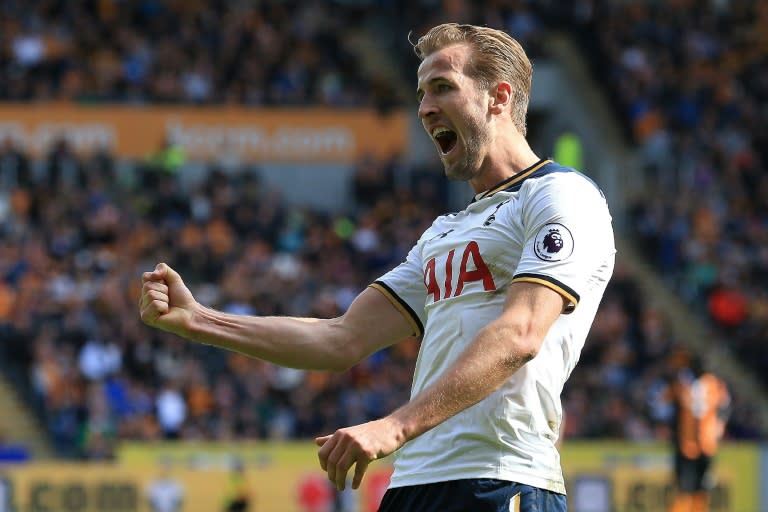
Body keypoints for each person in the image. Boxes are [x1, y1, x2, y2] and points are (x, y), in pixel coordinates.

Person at [139, 23, 616, 512]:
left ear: (498, 97)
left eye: (443, 87)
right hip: (414, 485)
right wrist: (200, 320)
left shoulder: (560, 195)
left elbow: (521, 334)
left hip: (499, 479)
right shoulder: (443, 232)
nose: (425, 107)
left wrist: (394, 426)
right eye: (421, 93)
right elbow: (340, 338)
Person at [663, 351, 730, 512]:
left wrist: (720, 423)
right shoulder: (682, 383)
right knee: (684, 488)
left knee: (702, 488)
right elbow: (664, 405)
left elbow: (725, 406)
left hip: (706, 444)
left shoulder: (714, 384)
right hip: (686, 444)